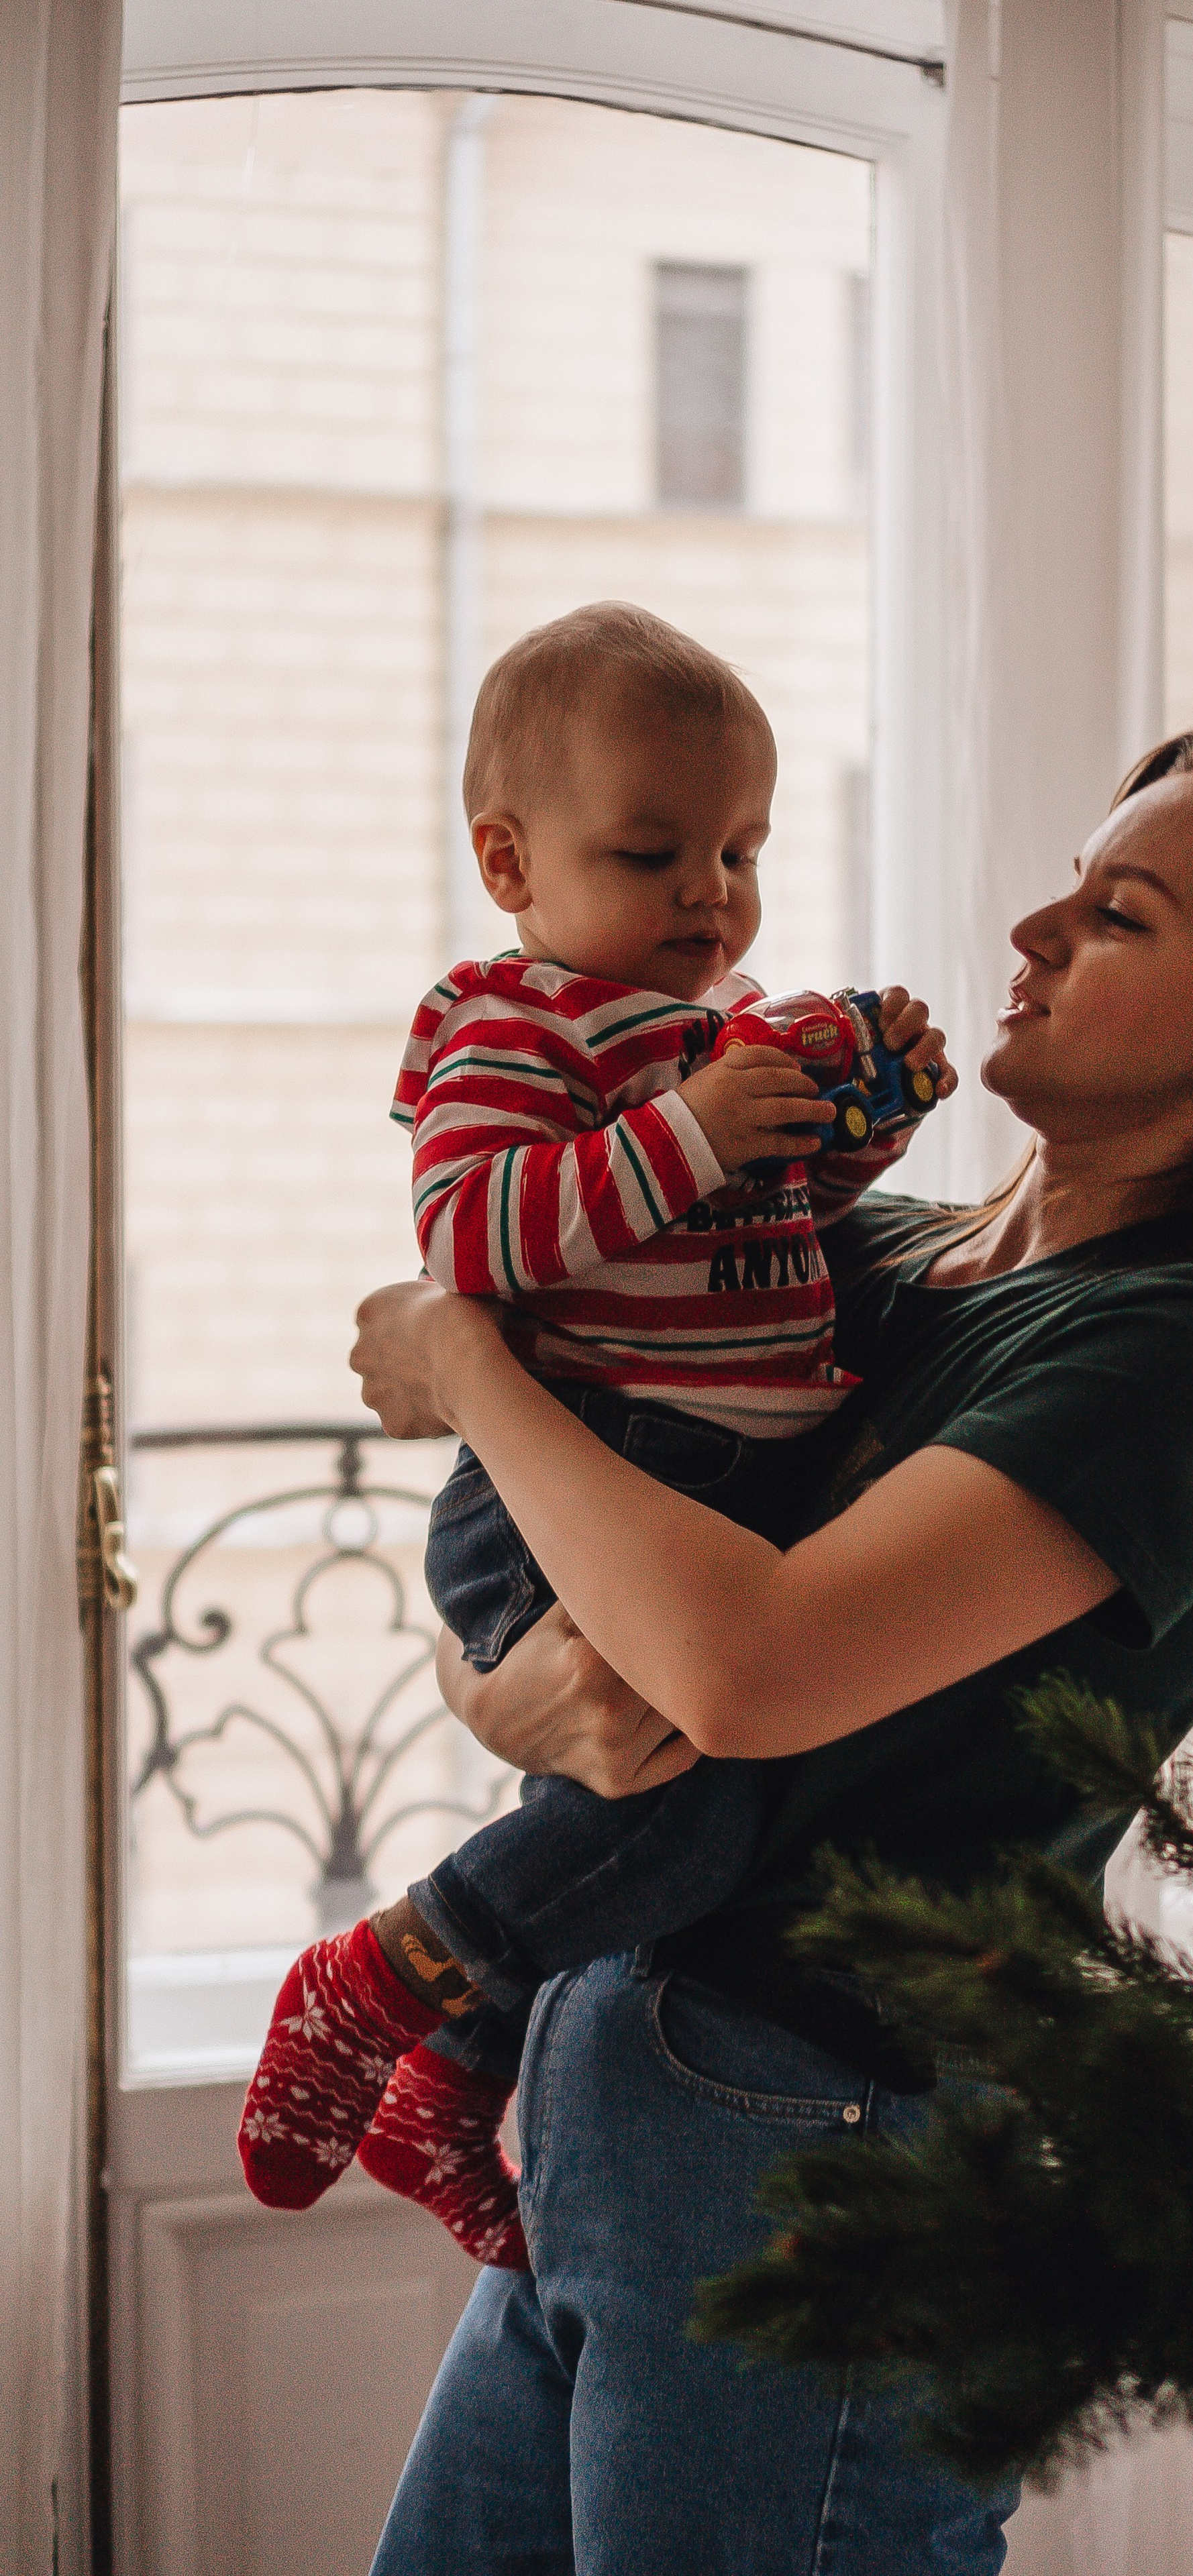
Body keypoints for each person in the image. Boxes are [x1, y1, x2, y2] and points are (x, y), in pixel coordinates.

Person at [349, 727, 1193, 2575]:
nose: (1033, 927)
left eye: (1119, 911)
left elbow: (740, 1669)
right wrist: (501, 1689)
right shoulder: (887, 1260)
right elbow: (573, 1611)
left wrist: (467, 1360)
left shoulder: (1191, 1352)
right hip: (618, 2075)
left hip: (825, 2139)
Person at [235, 601, 952, 2268]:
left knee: (697, 1836)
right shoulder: (511, 1027)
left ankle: (451, 2076)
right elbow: (475, 1243)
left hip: (702, 1489)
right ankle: (379, 1981)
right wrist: (693, 1127)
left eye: (740, 849)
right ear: (510, 860)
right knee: (683, 1820)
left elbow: (744, 1228)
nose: (711, 894)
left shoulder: (714, 1035)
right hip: (574, 1479)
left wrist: (850, 1125)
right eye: (653, 853)